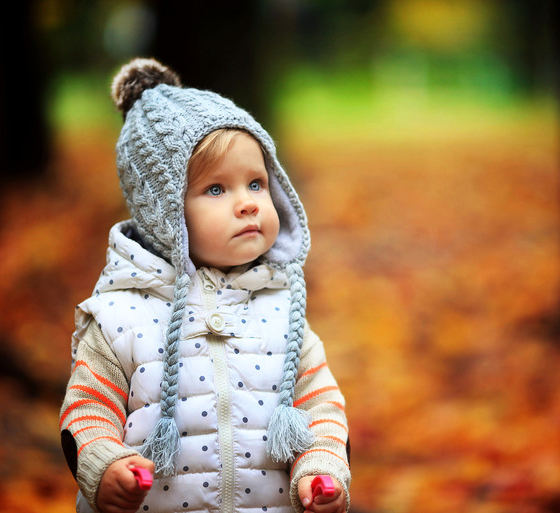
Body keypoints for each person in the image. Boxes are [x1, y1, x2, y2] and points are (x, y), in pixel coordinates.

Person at [59, 58, 350, 513]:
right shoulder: (120, 316)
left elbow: (322, 407)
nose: (248, 204)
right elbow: (86, 409)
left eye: (256, 184)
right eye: (217, 189)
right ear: (164, 213)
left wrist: (321, 469)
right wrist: (104, 465)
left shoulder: (283, 309)